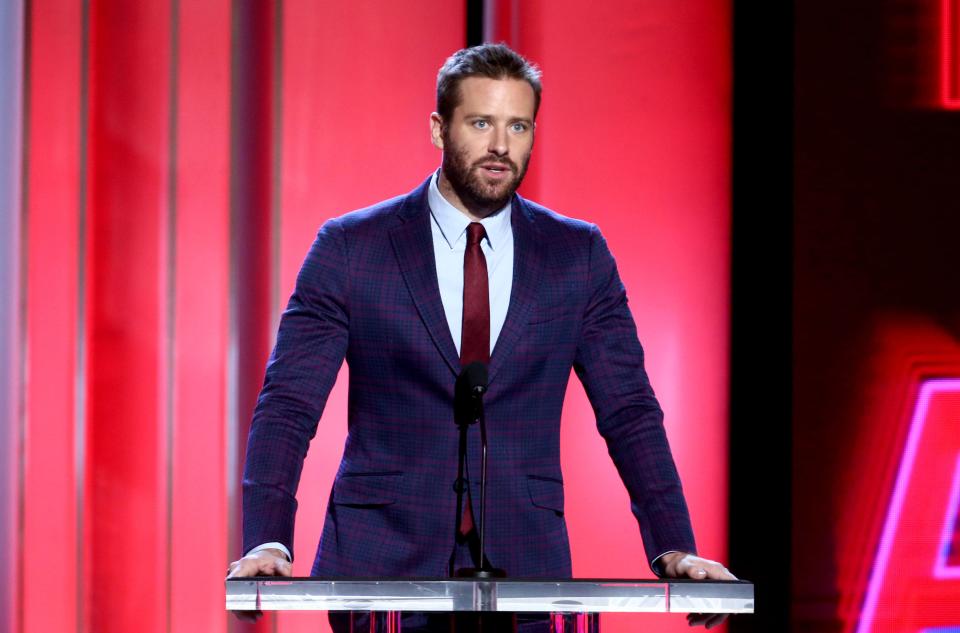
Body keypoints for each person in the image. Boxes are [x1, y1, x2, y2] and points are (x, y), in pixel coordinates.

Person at [228, 43, 735, 630]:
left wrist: (674, 545)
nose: (501, 145)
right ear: (439, 129)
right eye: (481, 123)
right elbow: (289, 404)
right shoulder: (351, 247)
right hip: (381, 564)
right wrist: (267, 540)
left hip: (526, 565)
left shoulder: (577, 255)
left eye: (518, 125)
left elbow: (629, 410)